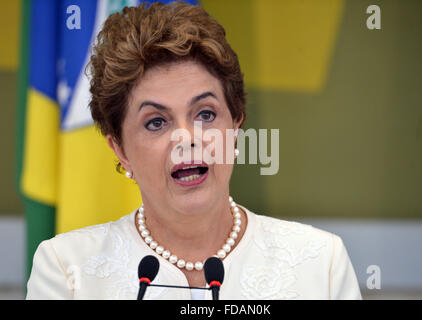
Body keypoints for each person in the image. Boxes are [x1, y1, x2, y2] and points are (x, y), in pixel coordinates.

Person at [26, 1, 361, 300]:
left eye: (205, 114)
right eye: (156, 122)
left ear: (235, 128)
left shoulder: (321, 262)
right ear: (121, 150)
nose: (186, 138)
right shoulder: (66, 270)